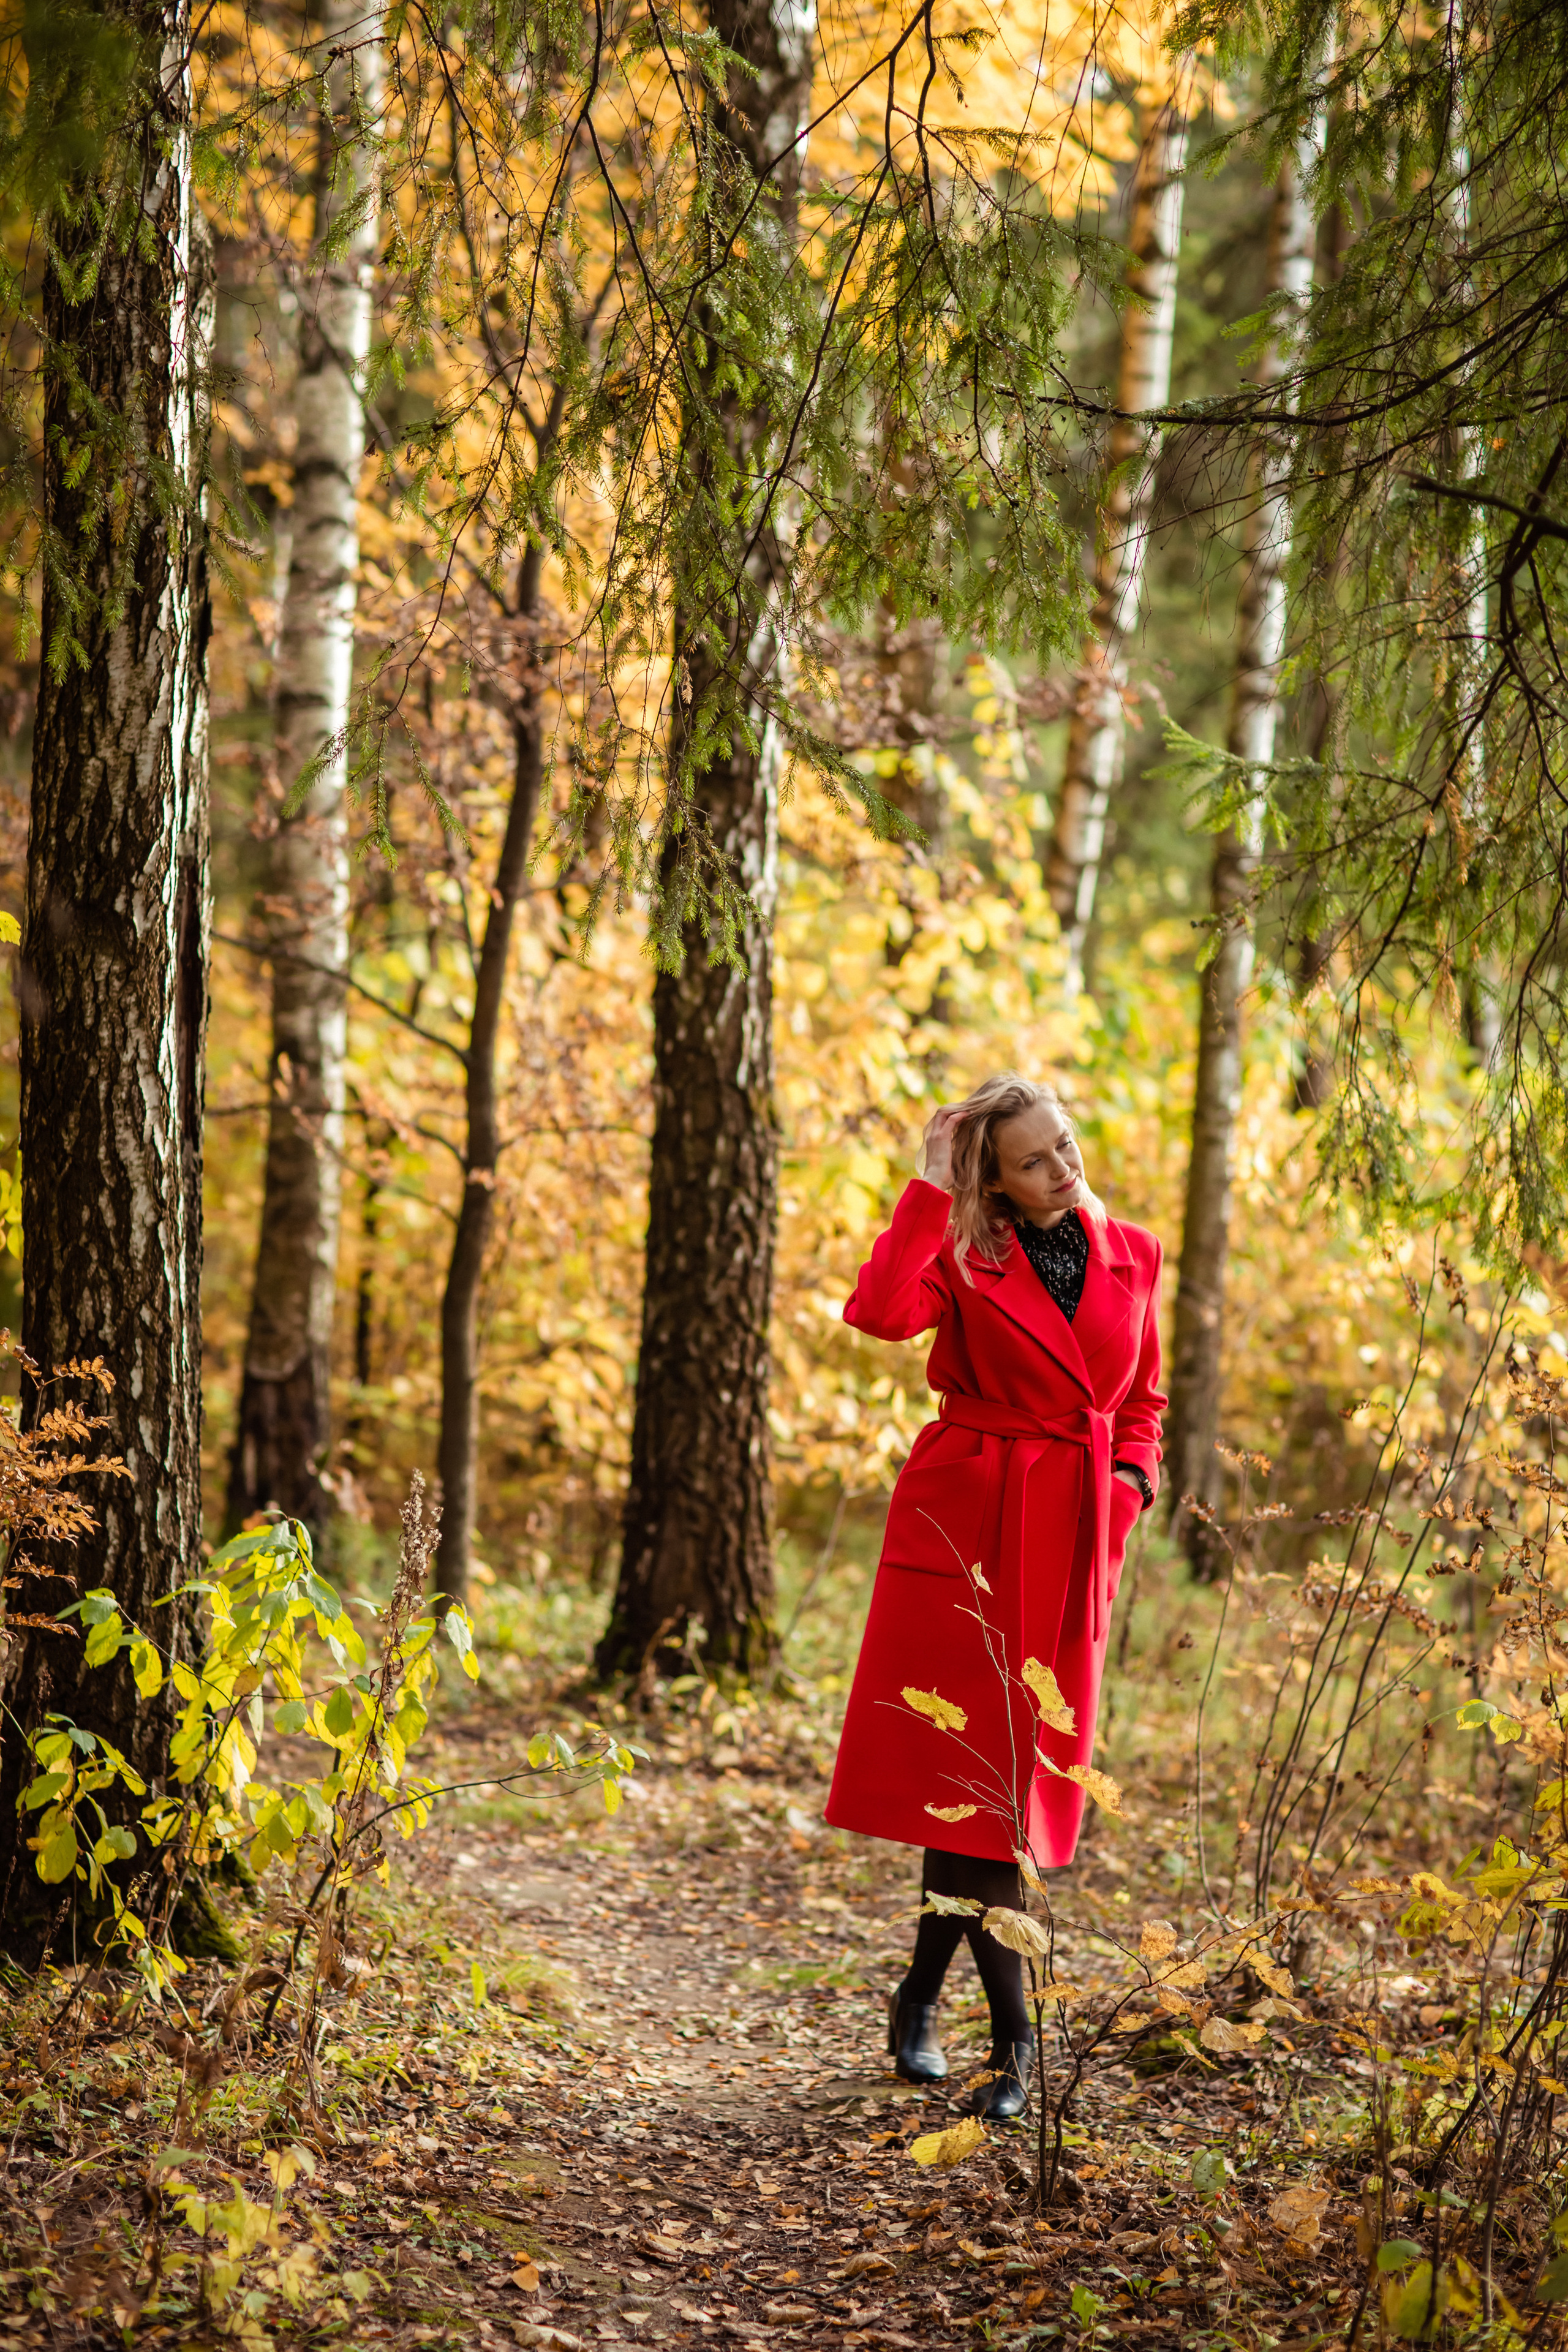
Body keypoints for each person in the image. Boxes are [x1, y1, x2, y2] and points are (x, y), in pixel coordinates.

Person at [823, 1075, 1166, 2120]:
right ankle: (1017, 2045)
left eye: (1066, 1145)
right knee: (976, 1788)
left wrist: (1126, 1490)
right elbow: (880, 1314)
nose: (1065, 1170)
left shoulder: (1135, 1251)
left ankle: (921, 1996)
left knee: (1003, 1785)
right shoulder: (963, 1254)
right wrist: (927, 1190)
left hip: (1068, 1533)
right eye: (1034, 1161)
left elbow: (1144, 1401)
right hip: (968, 1528)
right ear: (996, 1183)